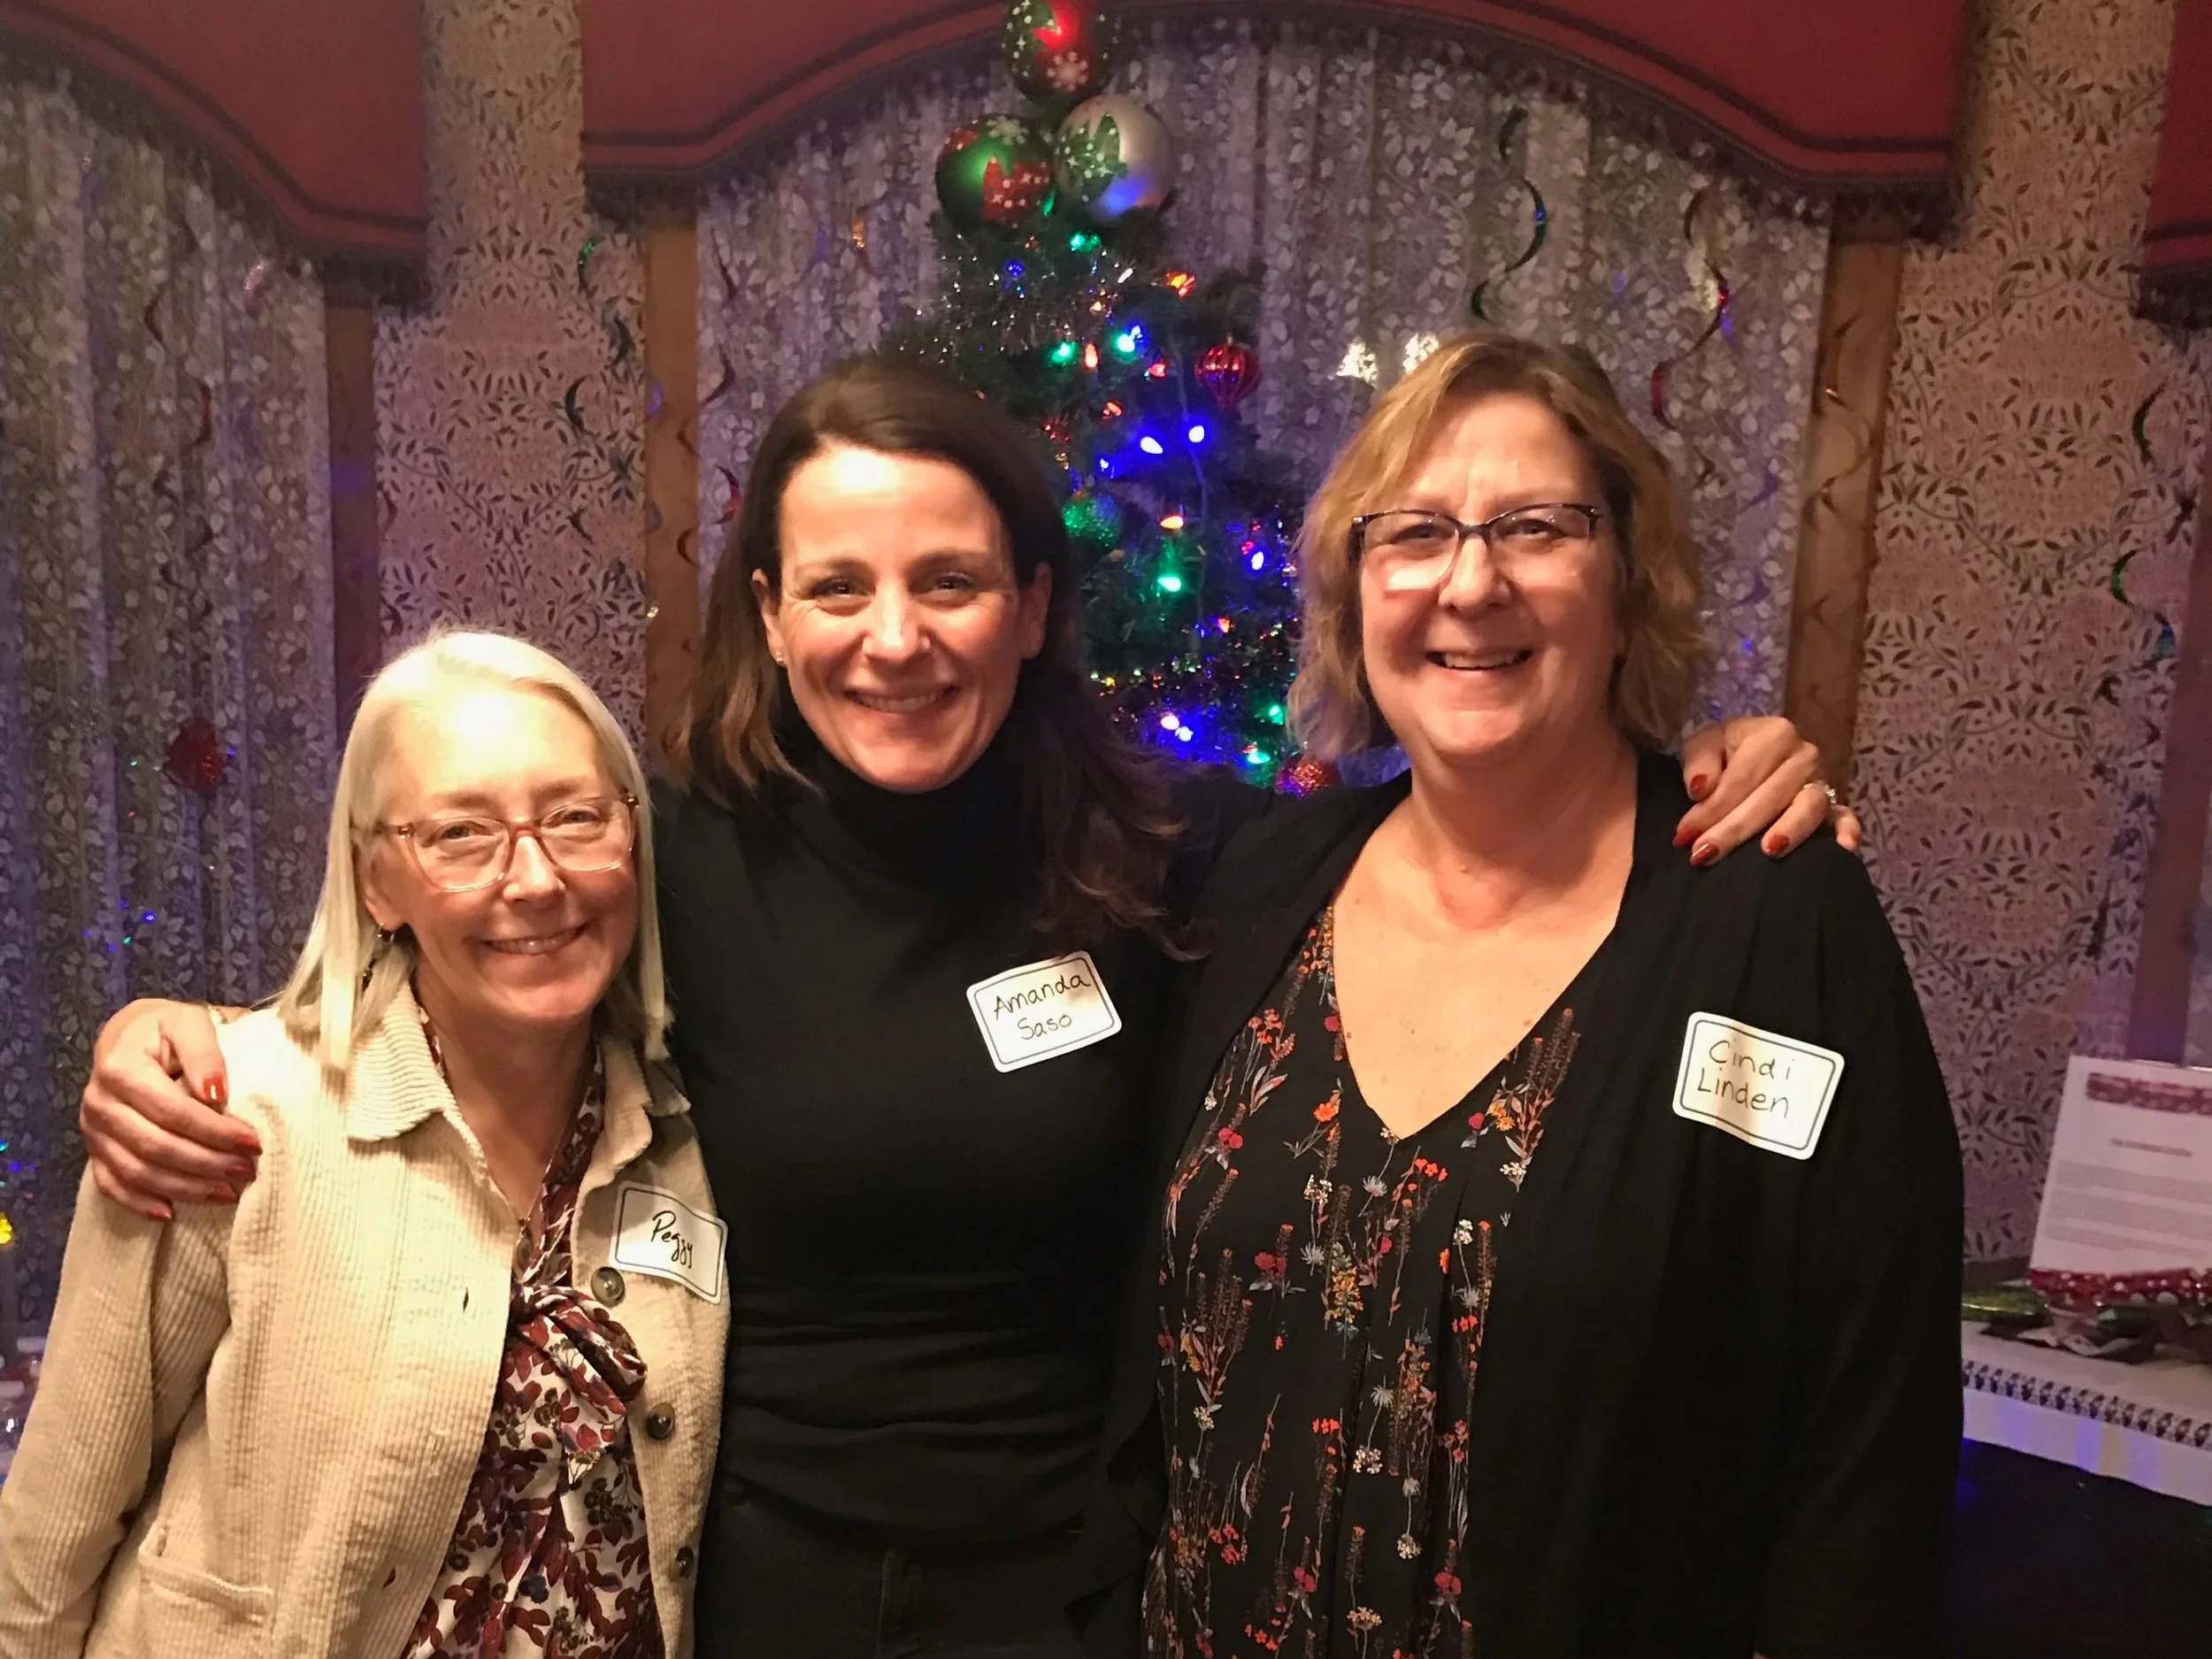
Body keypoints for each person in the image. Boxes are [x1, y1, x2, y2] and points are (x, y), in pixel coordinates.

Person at [70, 360, 1854, 1657]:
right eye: (834, 587)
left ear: (1031, 606)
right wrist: (179, 1032)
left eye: (949, 580)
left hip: (1073, 1594)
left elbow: (1473, 812)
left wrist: (1704, 765)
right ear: (766, 614)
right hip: (753, 1579)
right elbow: (450, 945)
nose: (892, 635)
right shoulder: (678, 857)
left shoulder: (1184, 860)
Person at [1070, 333, 1962, 1659]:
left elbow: (1870, 1425)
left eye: (1536, 527)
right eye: (1415, 532)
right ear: (1354, 591)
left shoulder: (1772, 916)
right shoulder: (1243, 880)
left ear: (1625, 578)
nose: (1470, 582)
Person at [0, 632, 725, 1659]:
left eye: (576, 818)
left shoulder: (690, 1127)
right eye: (462, 835)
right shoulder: (220, 1119)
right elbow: (47, 1543)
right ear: (376, 880)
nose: (534, 878)